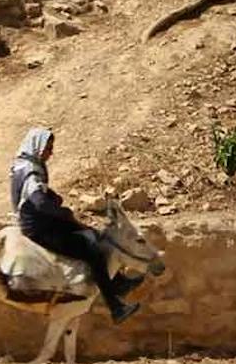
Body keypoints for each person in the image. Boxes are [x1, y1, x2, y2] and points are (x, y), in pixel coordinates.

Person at [9, 126, 141, 323]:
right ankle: (115, 306)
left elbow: (35, 196)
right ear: (37, 146)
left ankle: (119, 283)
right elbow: (39, 201)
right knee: (92, 252)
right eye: (48, 148)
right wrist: (63, 214)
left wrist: (56, 201)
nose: (50, 153)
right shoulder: (31, 171)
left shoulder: (23, 165)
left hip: (41, 221)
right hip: (39, 227)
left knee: (95, 235)